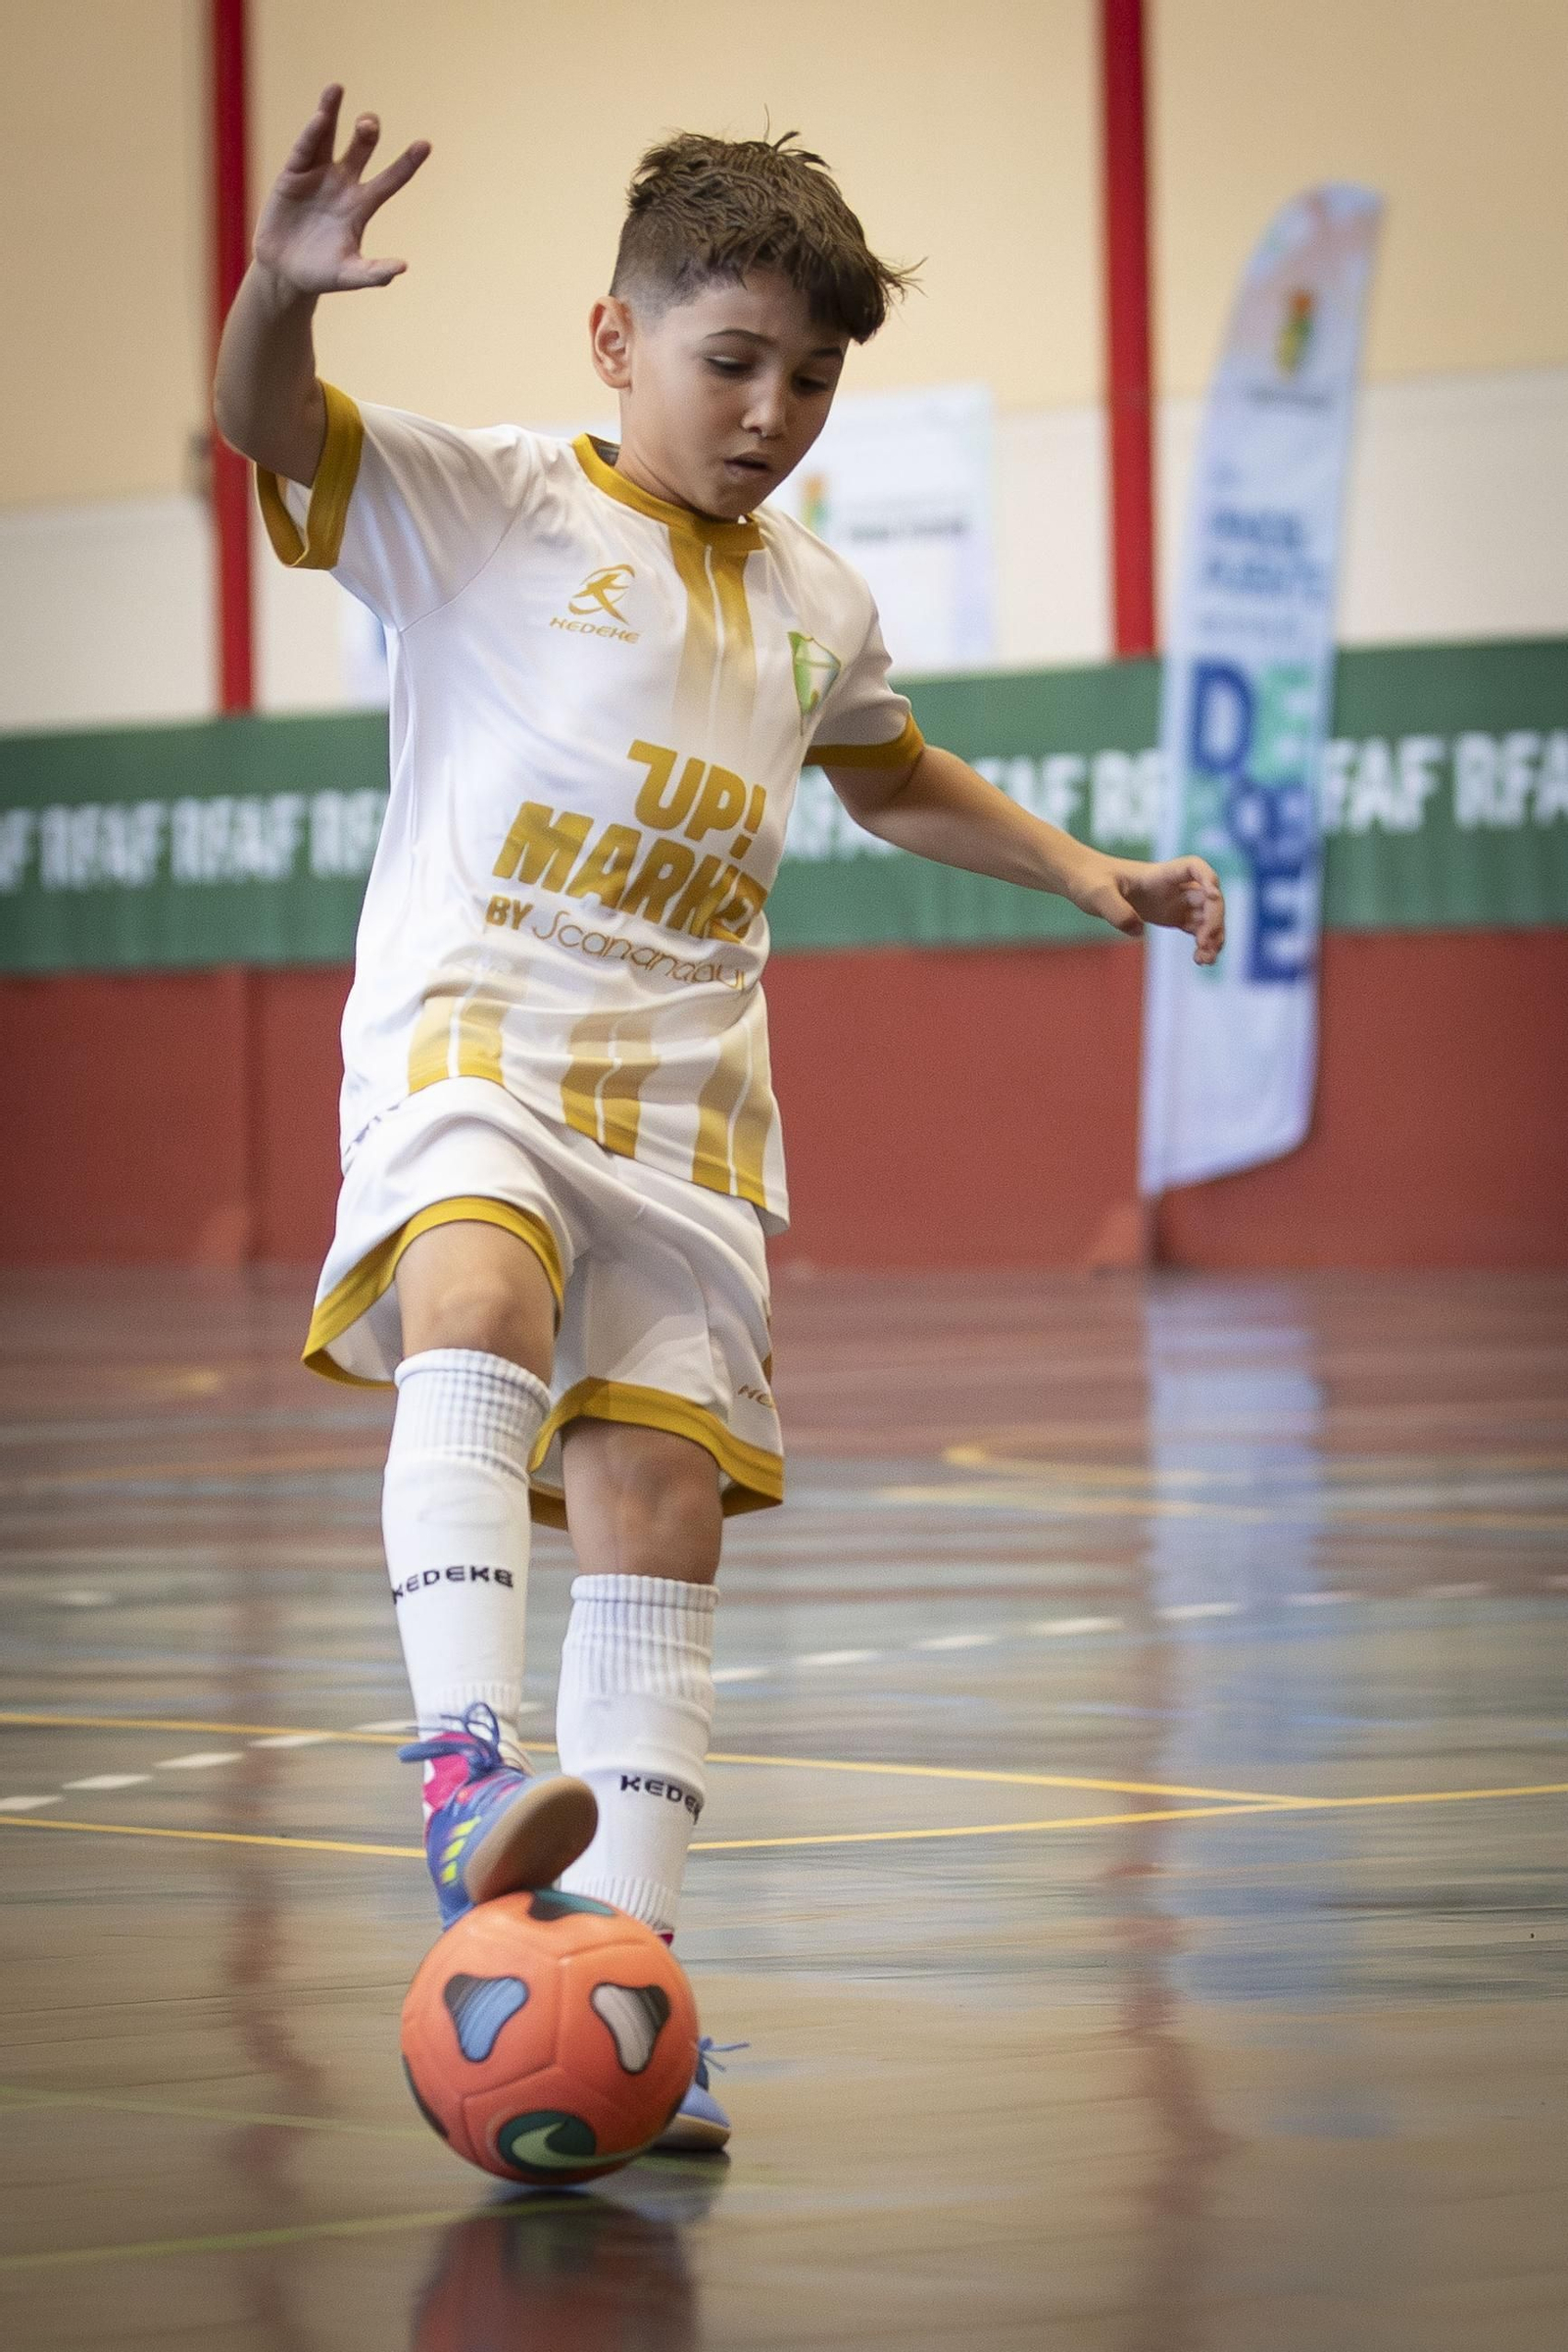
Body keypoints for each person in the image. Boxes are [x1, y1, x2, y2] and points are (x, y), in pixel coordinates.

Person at [214, 86, 1225, 2154]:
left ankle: (624, 1984)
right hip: (471, 1056)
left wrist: (1087, 874)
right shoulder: (483, 505)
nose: (770, 411)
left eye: (812, 379)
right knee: (472, 1291)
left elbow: (894, 774)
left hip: (687, 1123)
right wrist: (270, 294)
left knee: (657, 1526)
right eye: (729, 360)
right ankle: (462, 1768)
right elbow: (266, 425)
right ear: (613, 341)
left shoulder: (816, 602)